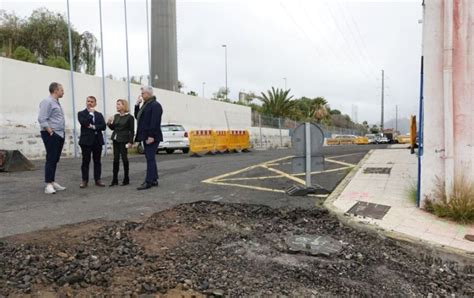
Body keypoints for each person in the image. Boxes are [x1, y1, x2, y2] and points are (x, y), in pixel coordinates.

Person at [38, 82, 67, 194]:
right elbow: (41, 118)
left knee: (55, 159)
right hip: (51, 134)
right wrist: (50, 130)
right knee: (51, 159)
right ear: (55, 90)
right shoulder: (47, 101)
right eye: (61, 90)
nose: (63, 92)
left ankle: (52, 181)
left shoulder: (56, 102)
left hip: (59, 134)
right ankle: (48, 185)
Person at [134, 86, 163, 190]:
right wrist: (137, 104)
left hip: (152, 136)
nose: (141, 95)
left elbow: (155, 122)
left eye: (143, 93)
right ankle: (154, 179)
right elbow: (137, 116)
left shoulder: (155, 105)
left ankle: (148, 181)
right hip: (145, 135)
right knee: (150, 157)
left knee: (150, 158)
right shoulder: (145, 105)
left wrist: (151, 136)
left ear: (148, 94)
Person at [78, 96, 106, 188]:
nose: (90, 103)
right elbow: (84, 123)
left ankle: (97, 179)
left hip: (97, 140)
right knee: (86, 161)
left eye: (92, 102)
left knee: (97, 161)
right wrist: (90, 114)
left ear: (95, 103)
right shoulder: (81, 113)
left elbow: (103, 126)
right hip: (86, 141)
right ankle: (84, 180)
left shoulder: (99, 114)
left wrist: (94, 127)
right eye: (88, 101)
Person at [107, 99, 134, 186]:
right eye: (117, 104)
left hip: (124, 140)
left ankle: (126, 178)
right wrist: (109, 123)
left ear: (123, 106)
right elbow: (113, 128)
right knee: (115, 159)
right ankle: (115, 179)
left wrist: (130, 142)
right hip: (115, 139)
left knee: (124, 158)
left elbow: (131, 131)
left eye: (118, 104)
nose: (117, 106)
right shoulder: (116, 116)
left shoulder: (129, 117)